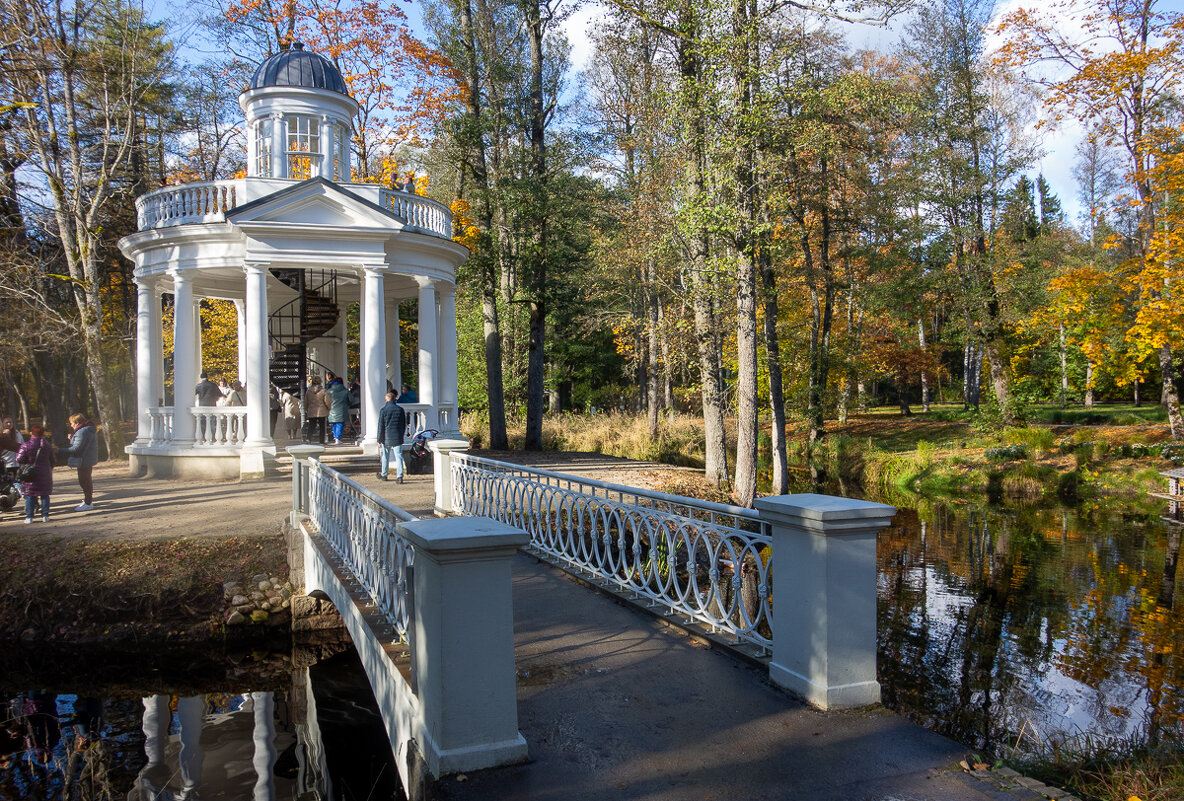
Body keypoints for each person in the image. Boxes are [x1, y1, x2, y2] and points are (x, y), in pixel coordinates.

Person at [58, 413, 98, 511]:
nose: (71, 425)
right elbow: (83, 443)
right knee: (86, 481)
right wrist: (72, 439)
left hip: (83, 460)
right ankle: (88, 501)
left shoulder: (81, 432)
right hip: (88, 458)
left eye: (71, 423)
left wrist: (58, 450)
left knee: (84, 481)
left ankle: (88, 502)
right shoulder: (87, 429)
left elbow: (76, 449)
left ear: (77, 422)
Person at [16, 425, 54, 523]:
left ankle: (29, 517)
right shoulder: (47, 445)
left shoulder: (25, 445)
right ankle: (45, 516)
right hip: (45, 473)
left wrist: (26, 463)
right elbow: (53, 460)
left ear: (31, 433)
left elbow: (19, 459)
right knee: (44, 495)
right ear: (43, 433)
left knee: (30, 495)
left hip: (30, 474)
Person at [376, 390, 407, 483]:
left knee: (385, 456)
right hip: (397, 435)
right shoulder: (400, 409)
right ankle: (399, 476)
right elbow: (403, 424)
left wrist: (379, 439)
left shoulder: (383, 410)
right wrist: (401, 434)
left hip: (386, 437)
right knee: (399, 456)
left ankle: (384, 474)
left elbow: (381, 426)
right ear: (394, 399)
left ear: (386, 399)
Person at [326, 378, 354, 445]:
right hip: (342, 409)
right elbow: (351, 400)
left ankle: (336, 437)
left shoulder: (329, 391)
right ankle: (337, 438)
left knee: (334, 423)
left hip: (331, 409)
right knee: (340, 424)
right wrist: (347, 405)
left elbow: (326, 401)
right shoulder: (346, 391)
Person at [304, 376, 329, 444]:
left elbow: (306, 402)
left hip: (311, 410)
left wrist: (307, 409)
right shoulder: (323, 391)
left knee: (311, 426)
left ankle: (308, 439)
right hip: (322, 410)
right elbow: (327, 401)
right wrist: (328, 408)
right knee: (322, 426)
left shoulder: (308, 391)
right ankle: (321, 441)